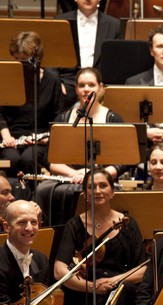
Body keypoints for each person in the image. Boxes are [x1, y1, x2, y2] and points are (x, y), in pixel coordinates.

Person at [54, 170, 147, 305]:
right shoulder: (75, 225)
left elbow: (144, 269)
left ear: (112, 192)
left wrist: (116, 280)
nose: (97, 191)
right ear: (85, 195)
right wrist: (91, 286)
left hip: (119, 291)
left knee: (123, 295)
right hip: (85, 292)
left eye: (103, 186)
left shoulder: (127, 223)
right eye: (91, 187)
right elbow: (59, 270)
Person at [38, 67, 125, 226]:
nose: (86, 89)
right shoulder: (63, 118)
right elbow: (48, 159)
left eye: (91, 85)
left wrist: (97, 175)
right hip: (71, 177)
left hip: (103, 177)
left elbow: (125, 160)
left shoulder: (113, 118)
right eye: (81, 85)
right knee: (42, 190)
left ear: (101, 88)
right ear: (76, 89)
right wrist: (74, 174)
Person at [0, 31, 64, 178]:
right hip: (12, 137)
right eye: (17, 59)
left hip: (40, 139)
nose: (21, 64)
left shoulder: (52, 80)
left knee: (29, 158)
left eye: (25, 59)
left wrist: (46, 139)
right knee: (11, 159)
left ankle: (31, 197)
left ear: (37, 57)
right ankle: (9, 197)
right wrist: (6, 136)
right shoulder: (6, 78)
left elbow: (58, 116)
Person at [55, 0, 121, 107]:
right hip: (68, 82)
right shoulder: (60, 21)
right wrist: (57, 83)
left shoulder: (114, 25)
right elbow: (51, 55)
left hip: (100, 81)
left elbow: (117, 62)